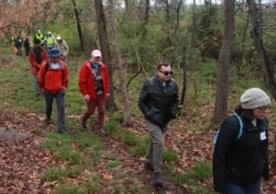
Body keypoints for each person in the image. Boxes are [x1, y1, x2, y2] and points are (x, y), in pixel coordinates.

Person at [213, 88, 271, 194]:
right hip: (234, 181)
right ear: (250, 108)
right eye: (261, 109)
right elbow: (219, 155)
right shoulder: (232, 125)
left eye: (266, 108)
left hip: (254, 180)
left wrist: (265, 170)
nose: (265, 111)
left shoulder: (263, 123)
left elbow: (263, 148)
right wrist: (219, 183)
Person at [137, 62, 179, 187]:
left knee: (154, 140)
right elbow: (141, 101)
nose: (169, 75)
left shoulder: (173, 84)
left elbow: (176, 99)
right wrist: (149, 114)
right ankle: (157, 172)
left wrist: (172, 111)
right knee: (159, 142)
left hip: (164, 119)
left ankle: (149, 161)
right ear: (159, 72)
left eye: (170, 72)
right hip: (152, 119)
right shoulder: (149, 83)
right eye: (166, 73)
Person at [79, 50, 109, 137]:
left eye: (98, 57)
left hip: (101, 92)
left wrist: (106, 92)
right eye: (95, 57)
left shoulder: (102, 66)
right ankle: (84, 118)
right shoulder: (86, 67)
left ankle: (100, 127)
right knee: (91, 110)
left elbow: (106, 80)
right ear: (91, 56)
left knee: (102, 110)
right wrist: (85, 94)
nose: (97, 58)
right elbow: (82, 82)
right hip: (91, 93)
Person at [37, 48, 69, 134]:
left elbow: (65, 78)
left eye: (57, 57)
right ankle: (48, 117)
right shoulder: (45, 65)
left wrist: (64, 88)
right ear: (50, 57)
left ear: (59, 57)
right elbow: (40, 78)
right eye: (53, 57)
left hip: (59, 90)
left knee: (61, 107)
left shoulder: (63, 66)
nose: (55, 59)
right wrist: (42, 89)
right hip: (48, 90)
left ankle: (61, 128)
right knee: (48, 106)